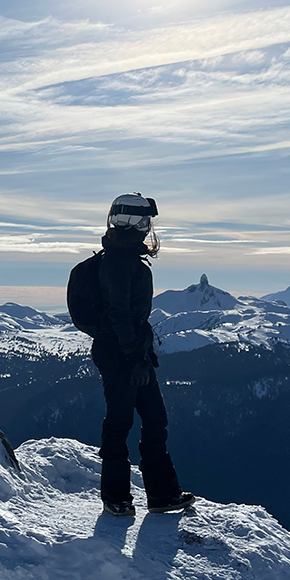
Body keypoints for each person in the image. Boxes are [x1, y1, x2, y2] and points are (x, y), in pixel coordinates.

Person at [92, 192, 195, 517]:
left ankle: (160, 495)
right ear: (140, 224)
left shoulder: (123, 259)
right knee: (124, 420)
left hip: (131, 352)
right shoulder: (118, 263)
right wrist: (135, 358)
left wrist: (140, 355)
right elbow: (119, 313)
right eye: (145, 221)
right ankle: (118, 496)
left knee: (151, 418)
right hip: (121, 354)